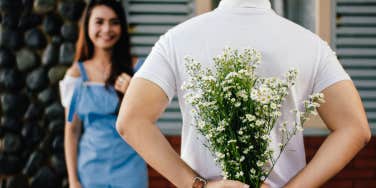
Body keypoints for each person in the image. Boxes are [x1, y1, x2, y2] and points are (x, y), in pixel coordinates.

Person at [115, 0, 371, 187]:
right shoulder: (311, 45)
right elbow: (356, 128)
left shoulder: (177, 39)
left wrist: (197, 186)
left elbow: (131, 120)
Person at [59, 0, 147, 187]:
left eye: (114, 22)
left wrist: (132, 94)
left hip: (131, 169)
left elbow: (149, 120)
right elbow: (71, 129)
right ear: (88, 25)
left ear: (122, 27)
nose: (107, 29)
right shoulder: (75, 77)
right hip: (90, 171)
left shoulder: (138, 70)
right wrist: (73, 180)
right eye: (99, 22)